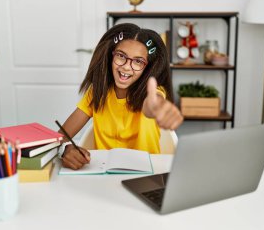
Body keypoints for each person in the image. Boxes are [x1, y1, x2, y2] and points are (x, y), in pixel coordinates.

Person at [59, 23, 183, 170]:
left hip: (145, 176)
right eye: (121, 56)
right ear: (111, 56)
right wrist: (66, 149)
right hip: (102, 175)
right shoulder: (97, 92)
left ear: (147, 67)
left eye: (138, 61)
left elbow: (153, 104)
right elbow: (60, 137)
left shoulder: (153, 93)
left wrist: (158, 107)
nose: (125, 66)